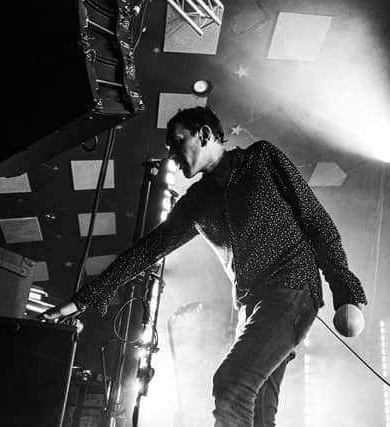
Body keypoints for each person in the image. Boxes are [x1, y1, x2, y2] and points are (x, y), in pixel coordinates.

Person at [40, 106, 368, 426]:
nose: (171, 153)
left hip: (292, 286)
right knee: (259, 410)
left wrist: (345, 291)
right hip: (254, 305)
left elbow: (316, 219)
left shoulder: (261, 159)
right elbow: (145, 252)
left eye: (176, 142)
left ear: (205, 134)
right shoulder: (196, 203)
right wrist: (81, 299)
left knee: (231, 381)